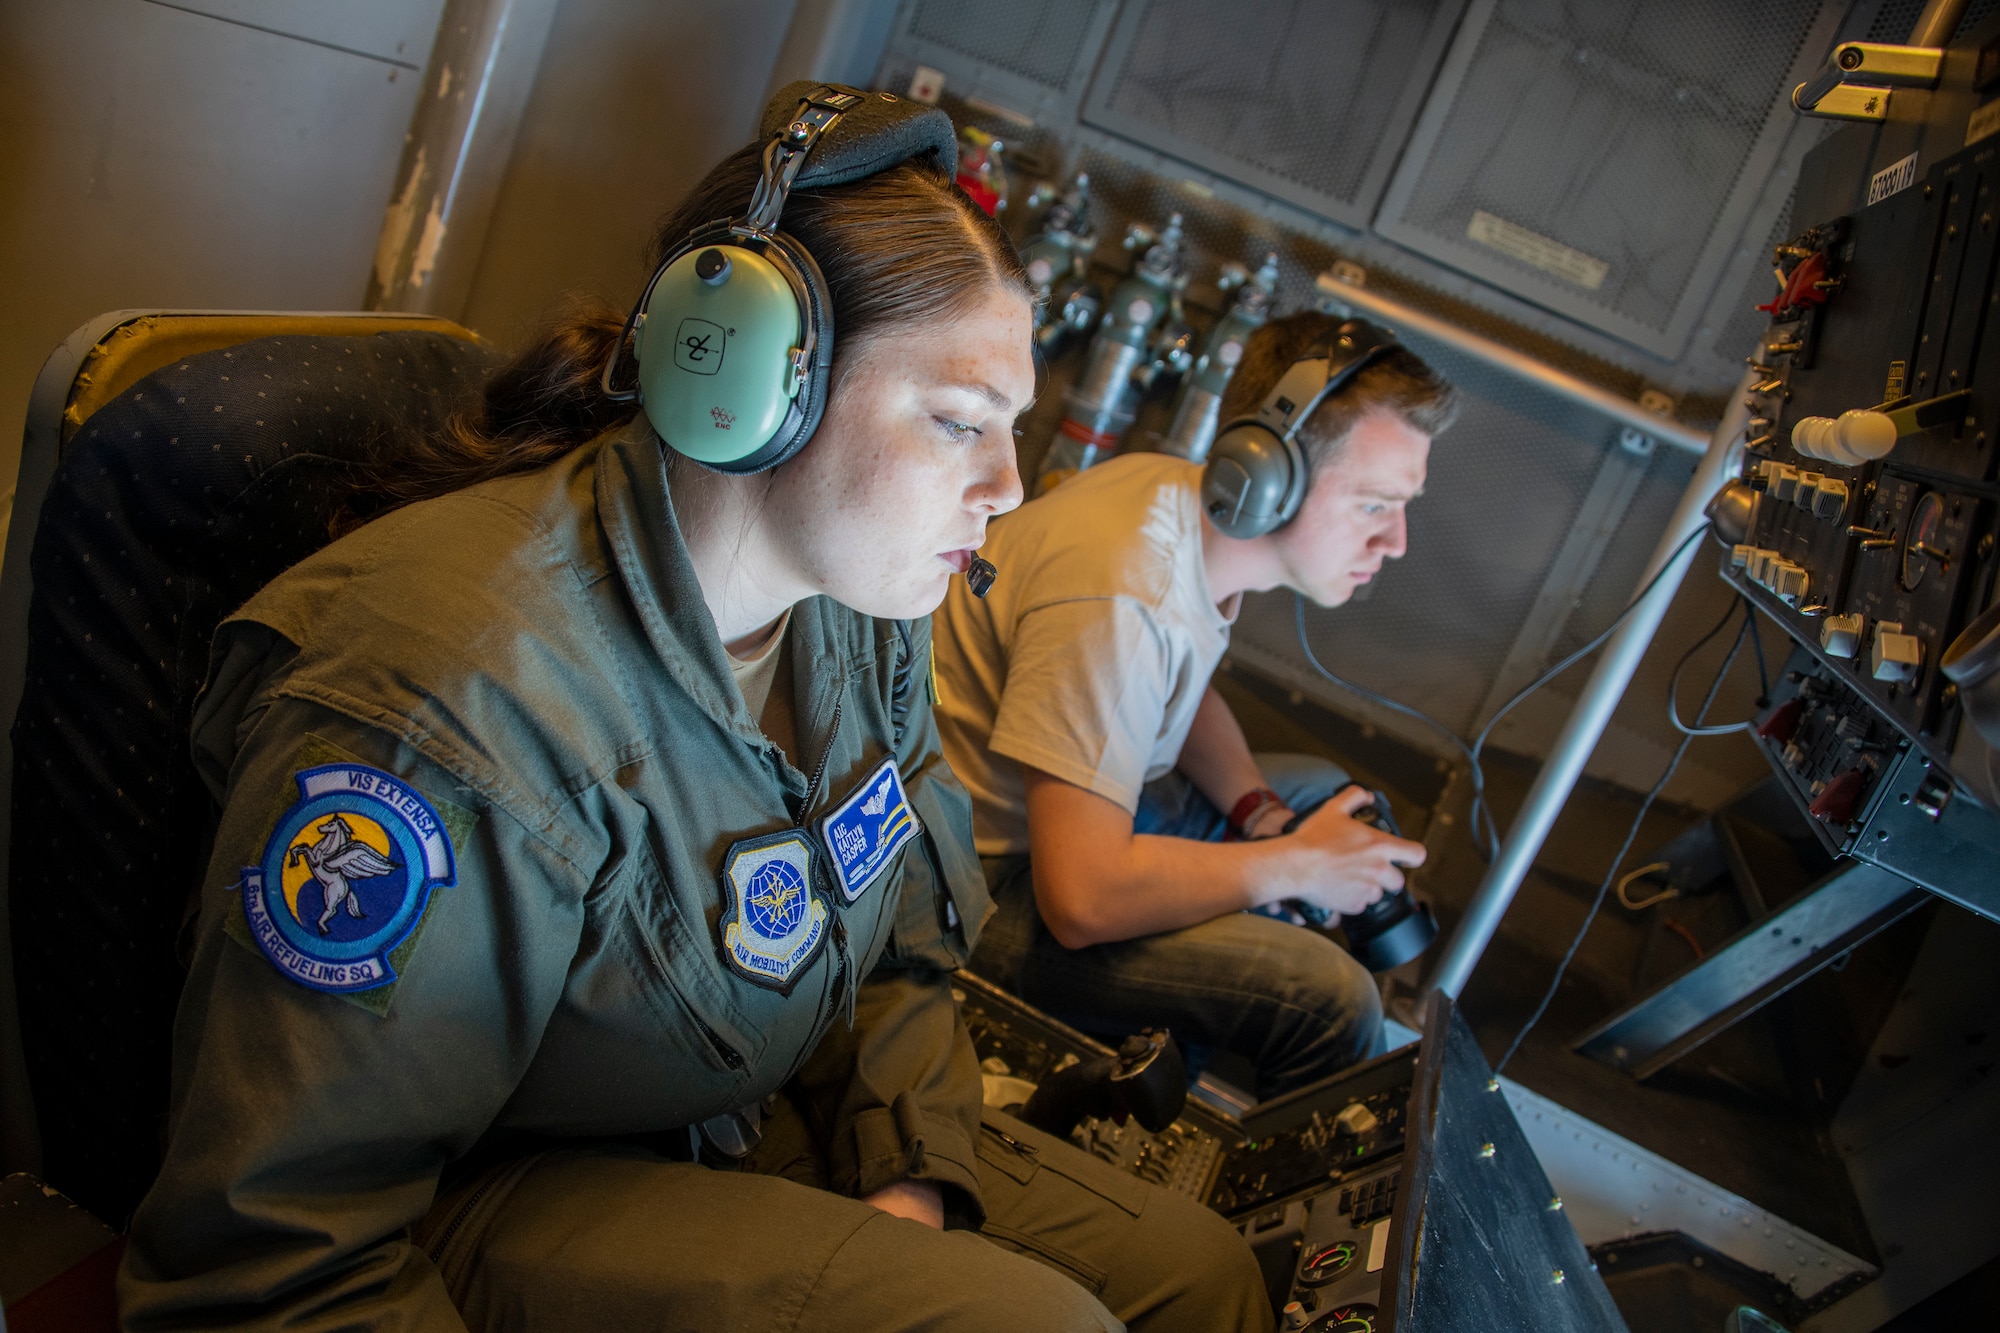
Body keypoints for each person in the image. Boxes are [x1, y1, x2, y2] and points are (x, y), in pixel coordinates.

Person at [119, 84, 1271, 1333]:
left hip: (719, 1109)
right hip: (469, 1199)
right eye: (956, 424)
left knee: (1198, 1281)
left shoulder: (859, 613)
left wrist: (906, 1175)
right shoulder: (453, 711)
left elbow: (893, 936)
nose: (1007, 485)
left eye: (1012, 430)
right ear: (742, 384)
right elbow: (270, 1271)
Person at [932, 310, 1457, 1100]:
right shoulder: (1124, 592)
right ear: (1270, 474)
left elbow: (1180, 681)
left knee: (1314, 791)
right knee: (1327, 996)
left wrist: (1260, 815)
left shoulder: (1179, 507)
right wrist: (1297, 864)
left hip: (1053, 828)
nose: (1398, 541)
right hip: (972, 886)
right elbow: (1080, 899)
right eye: (1375, 504)